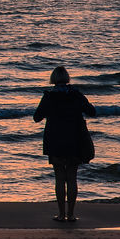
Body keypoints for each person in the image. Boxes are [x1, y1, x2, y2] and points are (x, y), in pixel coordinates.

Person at [33, 65, 96, 223]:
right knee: (72, 177)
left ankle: (61, 214)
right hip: (75, 139)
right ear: (67, 78)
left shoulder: (49, 96)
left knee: (60, 178)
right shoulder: (76, 95)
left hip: (55, 140)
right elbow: (92, 111)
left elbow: (37, 117)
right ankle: (72, 214)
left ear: (53, 79)